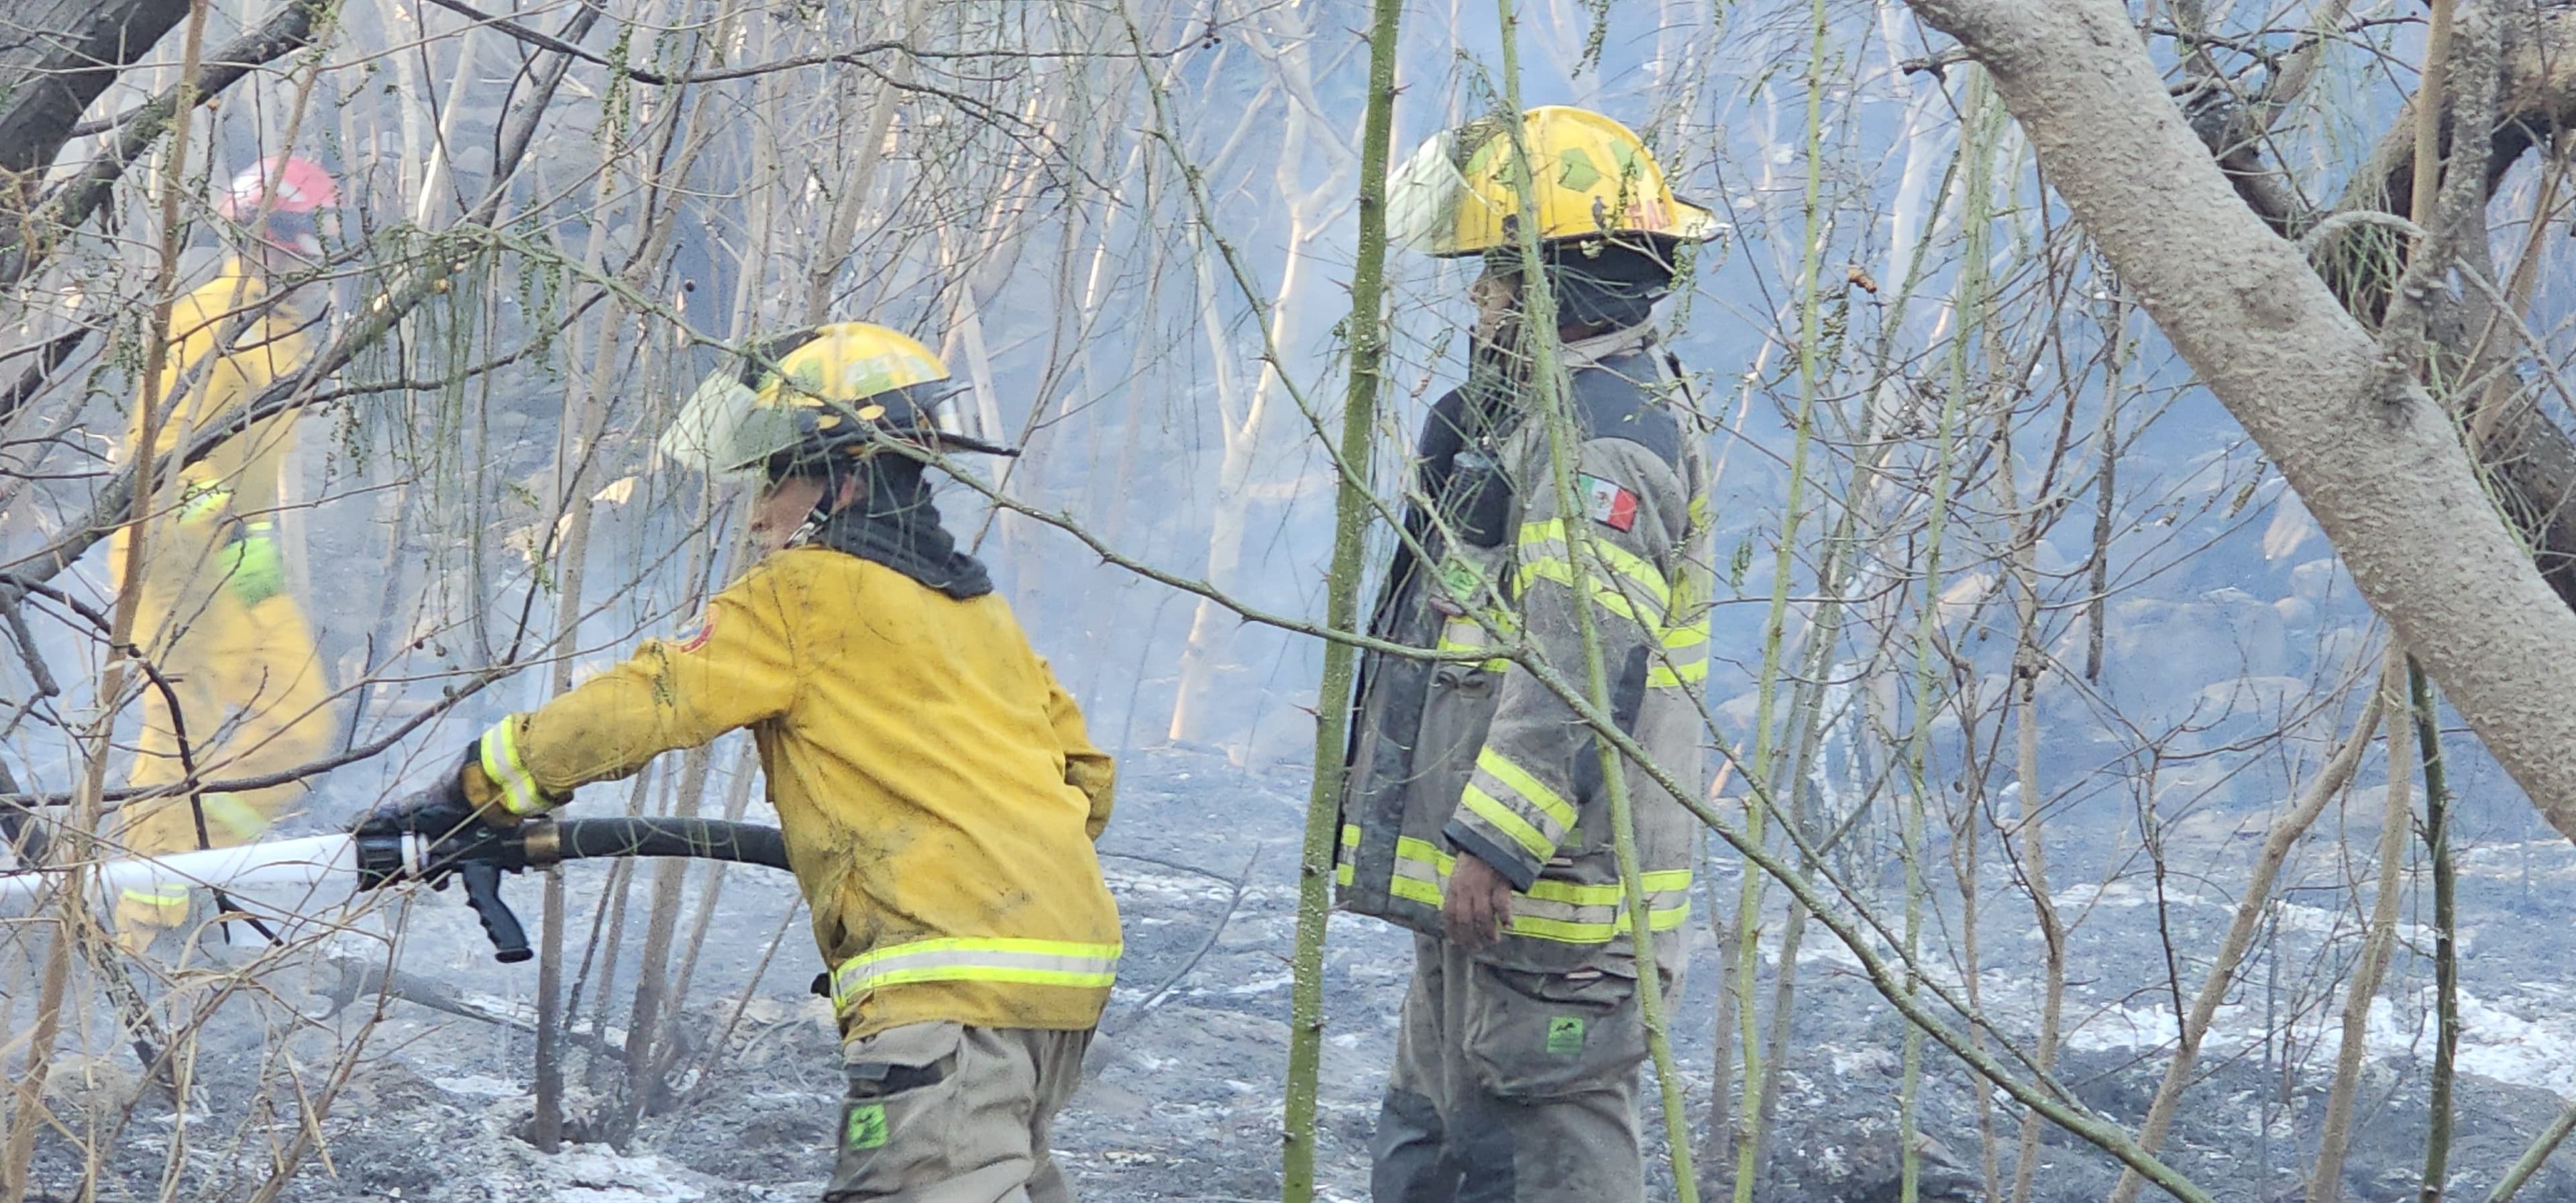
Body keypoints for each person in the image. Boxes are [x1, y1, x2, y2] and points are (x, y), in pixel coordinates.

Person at [362, 322, 1120, 1203]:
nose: (759, 511)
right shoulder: (977, 614)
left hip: (951, 993)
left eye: (777, 475)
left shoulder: (805, 594)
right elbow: (1086, 783)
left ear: (843, 478)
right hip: (1065, 978)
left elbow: (650, 701)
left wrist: (474, 790)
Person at [1339, 106, 1721, 1200]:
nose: (1480, 303)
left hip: (1551, 914)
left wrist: (1496, 844)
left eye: (1496, 280)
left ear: (1551, 283)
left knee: (1543, 1153)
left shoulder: (1599, 438)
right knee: (1430, 1149)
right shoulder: (1534, 421)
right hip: (1492, 913)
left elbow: (1578, 659)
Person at [109, 155, 341, 952]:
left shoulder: (275, 332)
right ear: (265, 238)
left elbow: (243, 480)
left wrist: (252, 555)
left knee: (301, 721)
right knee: (174, 728)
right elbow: (165, 457)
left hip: (232, 553)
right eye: (300, 233)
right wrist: (222, 535)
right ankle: (146, 926)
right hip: (170, 552)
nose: (313, 252)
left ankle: (199, 856)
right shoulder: (206, 320)